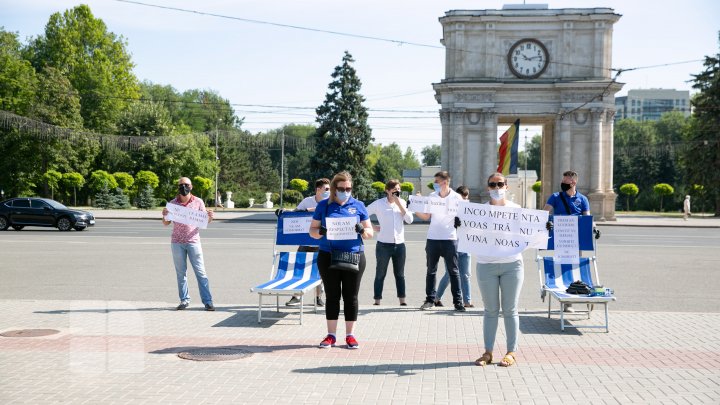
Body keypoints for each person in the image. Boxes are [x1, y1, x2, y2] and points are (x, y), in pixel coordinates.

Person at [309, 171, 373, 349]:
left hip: (354, 256)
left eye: (349, 188)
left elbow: (369, 233)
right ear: (334, 189)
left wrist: (362, 230)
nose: (346, 191)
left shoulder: (358, 205)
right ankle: (331, 335)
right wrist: (320, 231)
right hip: (328, 255)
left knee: (351, 296)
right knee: (332, 296)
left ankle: (350, 335)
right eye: (342, 188)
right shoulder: (324, 206)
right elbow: (312, 232)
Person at [472, 173, 524, 367]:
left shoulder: (517, 210)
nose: (496, 187)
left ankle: (511, 352)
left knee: (510, 310)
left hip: (512, 264)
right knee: (490, 310)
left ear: (506, 186)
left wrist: (544, 228)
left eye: (499, 184)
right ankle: (488, 352)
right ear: (487, 188)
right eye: (492, 184)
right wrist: (460, 226)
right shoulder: (477, 211)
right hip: (486, 265)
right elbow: (470, 233)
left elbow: (529, 232)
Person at [162, 177, 215, 311]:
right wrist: (164, 215)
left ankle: (208, 302)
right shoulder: (173, 204)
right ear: (178, 187)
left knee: (201, 272)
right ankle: (184, 300)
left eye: (186, 185)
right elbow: (166, 223)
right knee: (181, 273)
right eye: (181, 185)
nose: (183, 187)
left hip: (193, 241)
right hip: (177, 242)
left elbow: (204, 221)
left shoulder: (198, 202)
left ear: (191, 187)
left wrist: (210, 217)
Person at [543, 170, 593, 312]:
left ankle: (582, 293)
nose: (563, 183)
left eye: (565, 181)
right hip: (561, 238)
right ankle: (567, 302)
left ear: (573, 182)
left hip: (576, 239)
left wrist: (593, 228)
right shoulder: (555, 197)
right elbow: (545, 212)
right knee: (563, 268)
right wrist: (547, 222)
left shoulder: (583, 199)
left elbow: (587, 219)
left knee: (576, 268)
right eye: (562, 181)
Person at [414, 171, 465, 312]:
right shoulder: (432, 196)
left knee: (454, 271)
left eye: (437, 181)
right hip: (433, 239)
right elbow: (425, 217)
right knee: (431, 270)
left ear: (445, 182)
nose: (435, 184)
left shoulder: (457, 197)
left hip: (450, 239)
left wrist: (460, 221)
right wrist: (413, 207)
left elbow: (464, 216)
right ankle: (430, 299)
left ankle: (458, 302)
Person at [284, 178, 330, 307]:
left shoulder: (330, 203)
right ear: (318, 189)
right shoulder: (307, 201)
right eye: (326, 189)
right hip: (305, 242)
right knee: (299, 268)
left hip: (321, 243)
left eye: (330, 189)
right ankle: (296, 297)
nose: (329, 191)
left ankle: (318, 297)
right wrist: (306, 211)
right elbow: (294, 215)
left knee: (320, 272)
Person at [366, 179, 413, 306]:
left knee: (400, 274)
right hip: (383, 245)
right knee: (380, 273)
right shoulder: (379, 204)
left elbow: (409, 220)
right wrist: (373, 227)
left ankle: (402, 300)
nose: (397, 192)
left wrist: (399, 204)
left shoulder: (402, 202)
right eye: (394, 190)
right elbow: (363, 214)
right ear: (387, 191)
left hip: (399, 245)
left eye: (399, 190)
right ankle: (377, 300)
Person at [435, 185, 473, 308]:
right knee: (449, 275)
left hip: (465, 247)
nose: (464, 201)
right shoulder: (448, 210)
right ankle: (436, 297)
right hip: (451, 246)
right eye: (462, 198)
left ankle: (467, 301)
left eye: (466, 198)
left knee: (465, 275)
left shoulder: (470, 210)